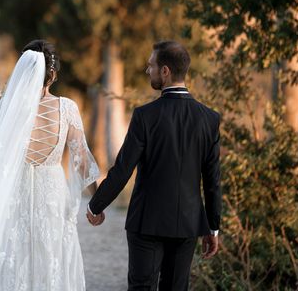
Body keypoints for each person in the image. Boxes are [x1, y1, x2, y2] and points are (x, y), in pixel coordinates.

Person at [0, 39, 100, 291]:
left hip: (15, 192)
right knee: (51, 255)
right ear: (53, 74)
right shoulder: (67, 108)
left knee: (12, 256)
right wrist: (97, 201)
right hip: (52, 195)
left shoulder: (7, 108)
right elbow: (81, 160)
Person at [87, 40, 221, 291]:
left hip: (146, 222)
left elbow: (123, 168)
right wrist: (212, 227)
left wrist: (96, 205)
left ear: (165, 71)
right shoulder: (209, 119)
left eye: (151, 66)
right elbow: (212, 180)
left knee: (141, 287)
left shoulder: (145, 116)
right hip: (187, 224)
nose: (147, 71)